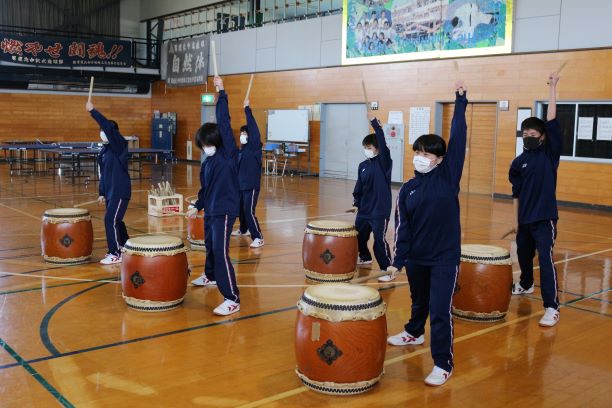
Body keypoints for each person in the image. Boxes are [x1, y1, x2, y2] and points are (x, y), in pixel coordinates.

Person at [386, 81, 468, 386]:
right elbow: (402, 228)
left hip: (444, 258)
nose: (421, 156)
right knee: (418, 300)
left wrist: (460, 103)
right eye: (417, 151)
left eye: (427, 153)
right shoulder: (407, 188)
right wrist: (398, 261)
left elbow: (458, 139)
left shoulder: (448, 177)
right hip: (417, 259)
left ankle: (443, 363)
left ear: (440, 159)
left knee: (439, 309)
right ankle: (414, 332)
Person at [506, 72, 562, 327]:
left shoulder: (550, 154)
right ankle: (526, 284)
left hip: (544, 218)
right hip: (525, 220)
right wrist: (516, 221)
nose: (528, 134)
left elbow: (551, 119)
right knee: (524, 256)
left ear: (541, 136)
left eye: (533, 131)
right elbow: (516, 194)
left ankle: (551, 307)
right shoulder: (518, 162)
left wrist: (552, 88)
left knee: (546, 259)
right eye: (525, 131)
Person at [188, 76, 241, 316]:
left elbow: (224, 120)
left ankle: (232, 297)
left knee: (220, 252)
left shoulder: (228, 155)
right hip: (211, 210)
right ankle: (210, 276)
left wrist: (222, 92)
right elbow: (205, 189)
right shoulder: (208, 163)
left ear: (214, 141)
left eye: (205, 144)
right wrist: (197, 205)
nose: (204, 148)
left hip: (225, 210)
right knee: (210, 246)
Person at [350, 109, 393, 279]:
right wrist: (356, 203)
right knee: (359, 237)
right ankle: (365, 257)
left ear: (377, 149)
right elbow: (359, 186)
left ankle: (387, 269)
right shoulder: (363, 165)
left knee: (379, 241)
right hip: (365, 210)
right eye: (364, 148)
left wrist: (375, 123)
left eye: (369, 147)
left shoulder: (384, 163)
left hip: (379, 211)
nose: (366, 150)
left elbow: (383, 142)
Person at [86, 101, 130, 265]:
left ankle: (115, 253)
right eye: (101, 131)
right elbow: (103, 174)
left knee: (109, 220)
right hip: (110, 193)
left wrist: (93, 111)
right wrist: (102, 193)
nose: (102, 133)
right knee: (116, 220)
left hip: (120, 191)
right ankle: (125, 245)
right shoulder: (104, 151)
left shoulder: (120, 146)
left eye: (104, 130)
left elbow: (109, 128)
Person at [231, 99, 264, 248]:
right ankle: (243, 229)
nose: (242, 135)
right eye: (241, 133)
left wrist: (247, 109)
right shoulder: (241, 151)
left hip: (251, 185)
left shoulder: (254, 148)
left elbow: (254, 128)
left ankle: (258, 237)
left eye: (245, 133)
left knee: (248, 211)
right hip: (240, 185)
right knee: (240, 209)